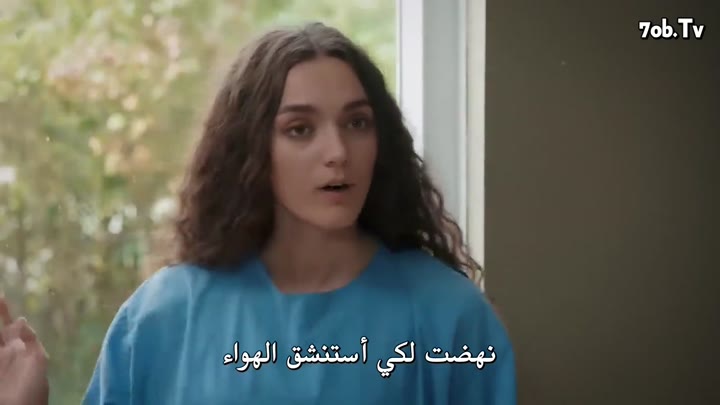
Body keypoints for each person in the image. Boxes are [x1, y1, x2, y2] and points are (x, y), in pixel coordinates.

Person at [4, 22, 516, 404]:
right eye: (300, 129)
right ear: (250, 150)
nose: (338, 151)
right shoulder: (163, 317)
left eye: (357, 123)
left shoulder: (450, 318)